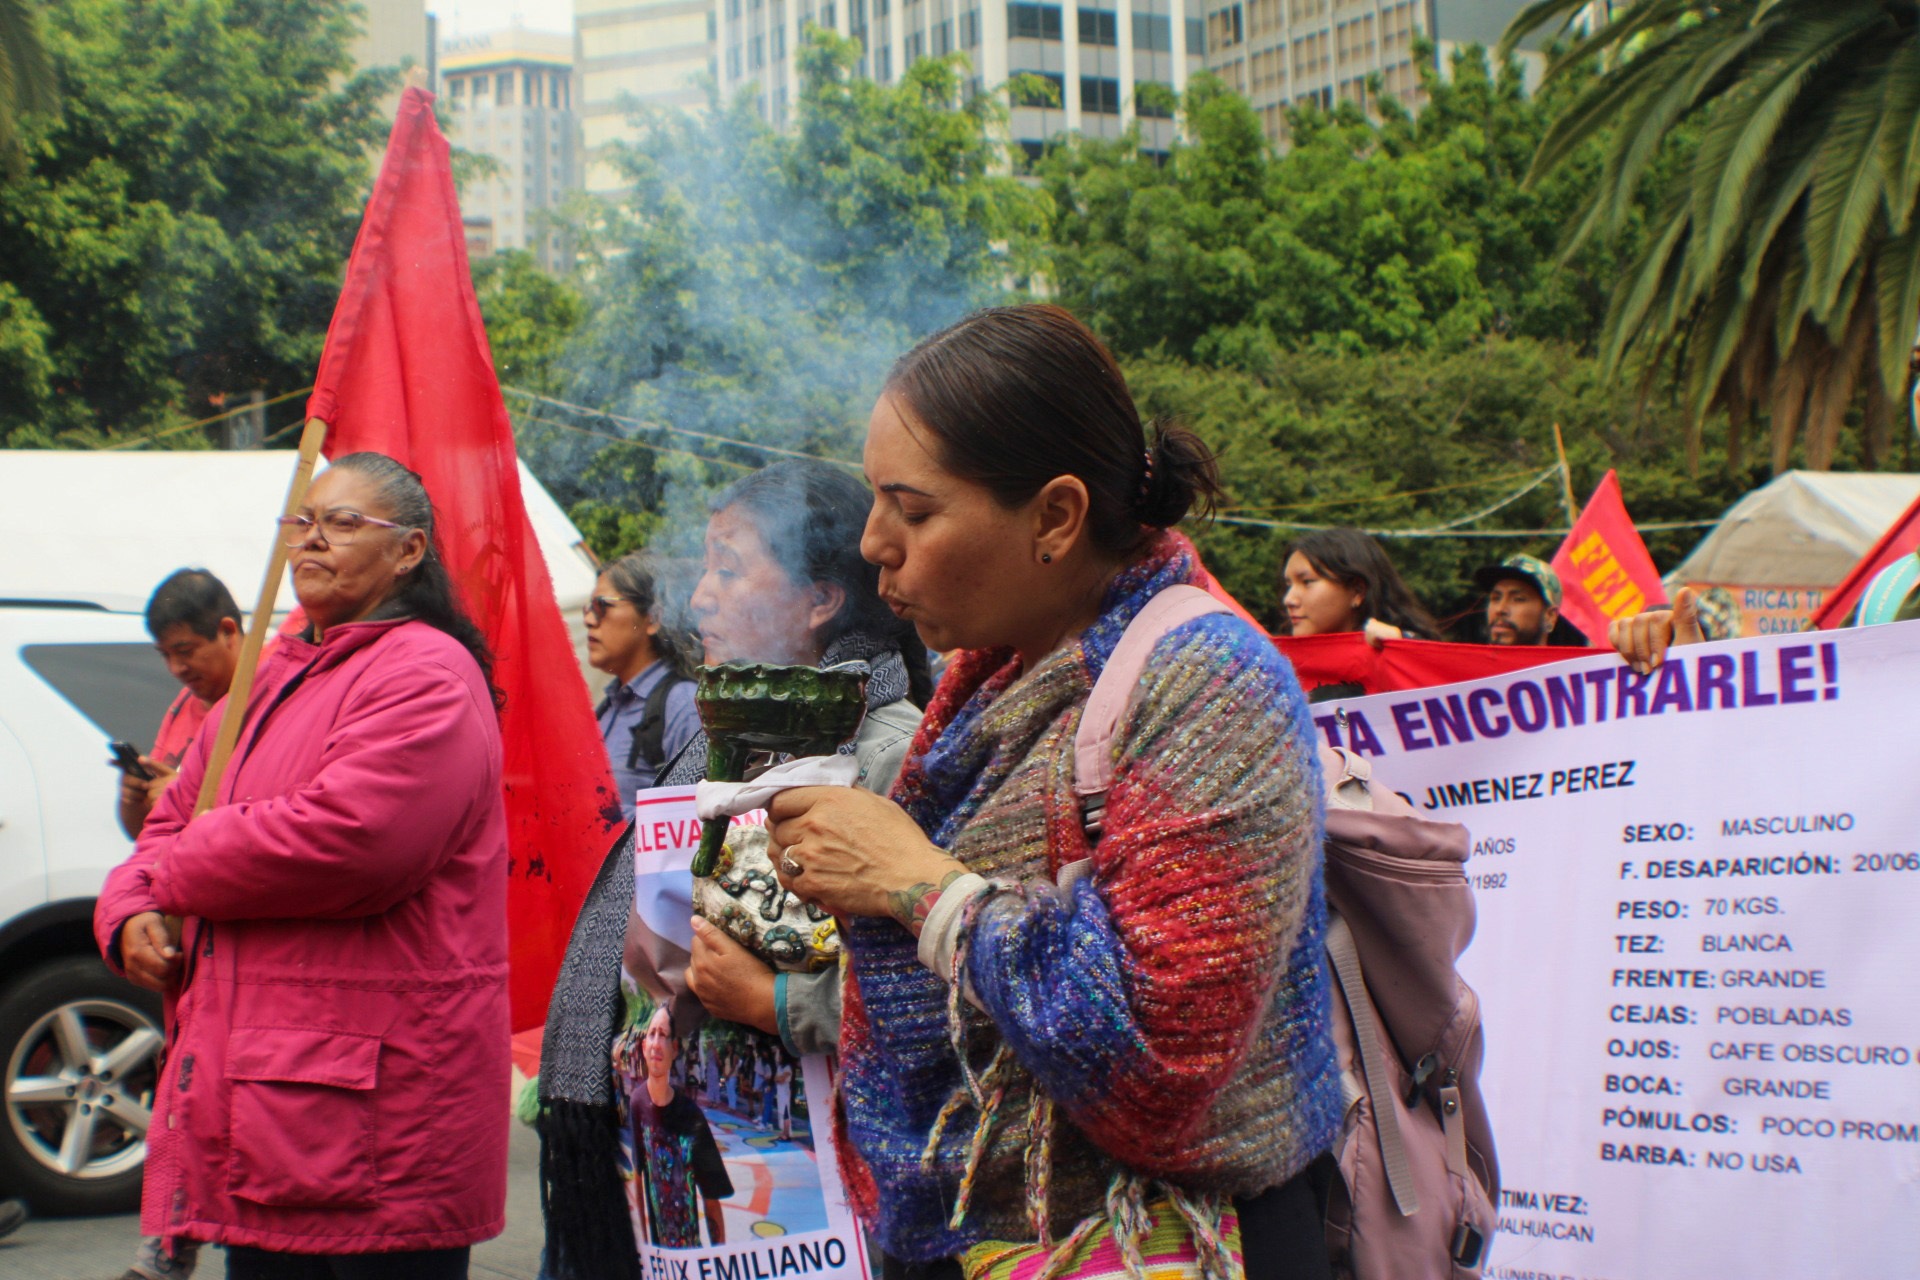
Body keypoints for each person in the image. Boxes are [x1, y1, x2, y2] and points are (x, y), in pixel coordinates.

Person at [769, 304, 1340, 1277]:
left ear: (1057, 516)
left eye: (913, 509)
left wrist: (919, 885)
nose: (873, 543)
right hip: (995, 1236)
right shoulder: (989, 678)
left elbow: (1162, 1061)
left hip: (1163, 1241)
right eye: (876, 501)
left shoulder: (1206, 681)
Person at [93, 452, 510, 1279]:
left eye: (344, 522)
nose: (312, 539)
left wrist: (175, 868)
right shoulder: (267, 677)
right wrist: (129, 912)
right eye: (303, 522)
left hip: (377, 1121)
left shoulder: (425, 671)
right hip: (263, 1107)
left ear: (409, 551)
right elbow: (165, 823)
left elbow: (349, 840)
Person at [538, 458, 932, 1280]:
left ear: (823, 598)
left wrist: (775, 999)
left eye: (727, 568)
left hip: (838, 1212)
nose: (699, 598)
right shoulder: (720, 746)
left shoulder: (892, 753)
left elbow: (942, 994)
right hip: (664, 1176)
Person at [118, 569, 244, 839]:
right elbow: (145, 834)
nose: (176, 668)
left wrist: (186, 797)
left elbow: (264, 822)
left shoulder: (276, 699)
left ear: (227, 632)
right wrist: (134, 800)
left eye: (185, 651)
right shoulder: (187, 700)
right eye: (165, 655)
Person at [590, 553, 699, 820]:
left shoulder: (683, 705)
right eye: (587, 609)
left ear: (652, 618)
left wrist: (592, 815)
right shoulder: (608, 706)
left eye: (602, 606)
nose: (590, 620)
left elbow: (693, 822)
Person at [613, 1008, 731, 1248]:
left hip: (689, 1252)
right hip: (659, 1256)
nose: (657, 1043)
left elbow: (711, 1199)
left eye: (664, 1036)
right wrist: (645, 1245)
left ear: (674, 1049)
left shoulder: (691, 1117)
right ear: (644, 1046)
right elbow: (638, 1175)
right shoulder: (637, 1102)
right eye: (653, 1034)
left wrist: (719, 1260)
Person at [1280, 527, 1443, 645]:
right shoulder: (1279, 673)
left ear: (1357, 591)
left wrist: (1402, 646)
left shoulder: (1416, 650)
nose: (1288, 599)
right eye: (1289, 585)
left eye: (1307, 582)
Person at [1473, 553, 1562, 646]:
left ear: (1550, 616)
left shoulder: (1573, 660)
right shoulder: (1466, 660)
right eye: (1495, 598)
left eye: (1518, 599)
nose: (1500, 609)